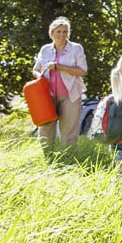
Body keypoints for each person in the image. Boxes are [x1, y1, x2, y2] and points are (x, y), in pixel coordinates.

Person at [31, 17, 88, 151]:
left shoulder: (76, 49)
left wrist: (60, 67)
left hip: (70, 96)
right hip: (47, 96)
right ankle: (48, 158)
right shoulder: (45, 49)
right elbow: (36, 69)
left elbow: (83, 71)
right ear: (51, 33)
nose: (62, 35)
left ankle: (69, 159)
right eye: (59, 31)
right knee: (45, 128)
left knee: (69, 132)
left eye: (65, 31)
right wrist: (40, 79)